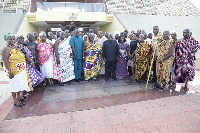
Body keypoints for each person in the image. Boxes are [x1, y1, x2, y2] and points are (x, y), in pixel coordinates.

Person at [2, 33, 33, 107]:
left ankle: (19, 98)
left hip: (21, 69)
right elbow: (5, 61)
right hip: (13, 71)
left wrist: (31, 62)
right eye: (10, 39)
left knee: (20, 84)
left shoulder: (17, 47)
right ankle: (15, 101)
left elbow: (24, 55)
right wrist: (9, 71)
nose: (12, 40)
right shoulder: (6, 49)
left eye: (13, 39)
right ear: (7, 40)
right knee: (14, 85)